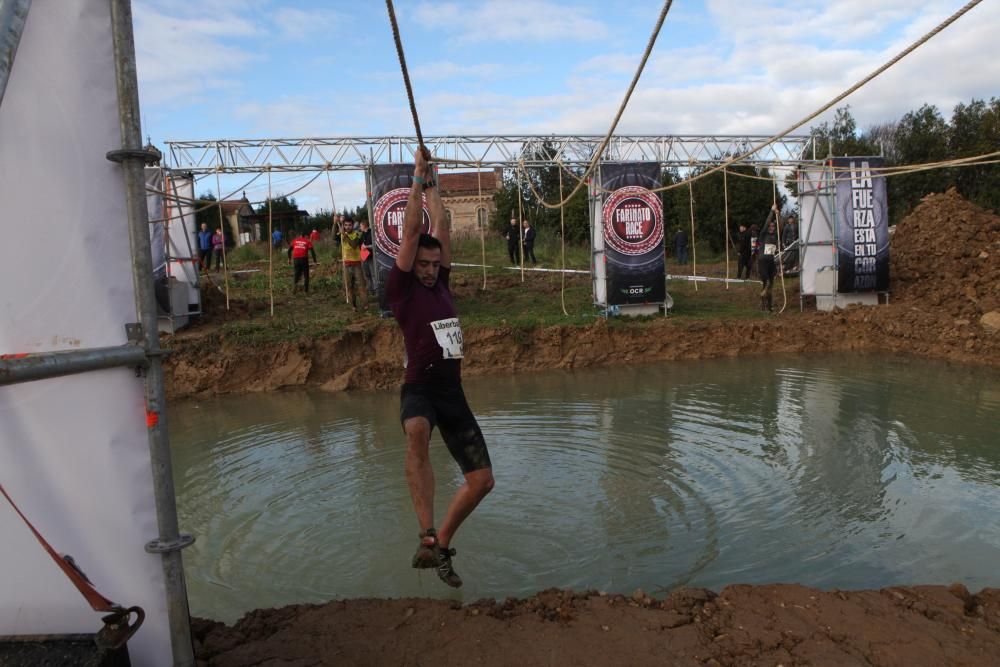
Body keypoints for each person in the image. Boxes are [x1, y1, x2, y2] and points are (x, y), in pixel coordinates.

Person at [386, 147, 493, 589]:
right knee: (415, 431)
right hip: (419, 388)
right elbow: (413, 230)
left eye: (435, 264)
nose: (430, 271)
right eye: (423, 265)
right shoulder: (401, 289)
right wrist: (415, 179)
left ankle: (441, 546)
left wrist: (435, 184)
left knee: (483, 481)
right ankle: (425, 530)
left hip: (453, 393)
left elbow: (440, 225)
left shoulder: (443, 281)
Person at [339, 217, 366, 309]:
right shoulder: (342, 234)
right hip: (346, 264)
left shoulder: (357, 234)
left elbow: (354, 245)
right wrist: (335, 223)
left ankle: (365, 304)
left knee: (361, 285)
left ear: (353, 225)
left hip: (356, 264)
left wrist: (345, 235)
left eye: (349, 225)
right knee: (349, 286)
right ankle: (353, 305)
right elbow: (333, 237)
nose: (347, 227)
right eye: (345, 225)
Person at [758, 206, 781, 311]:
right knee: (766, 283)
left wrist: (778, 214)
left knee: (770, 285)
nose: (771, 227)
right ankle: (763, 301)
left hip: (771, 262)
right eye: (770, 226)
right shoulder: (763, 234)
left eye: (773, 226)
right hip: (762, 262)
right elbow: (767, 223)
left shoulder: (775, 236)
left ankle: (768, 306)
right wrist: (771, 211)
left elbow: (781, 226)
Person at [287, 229, 318, 293]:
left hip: (296, 259)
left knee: (296, 273)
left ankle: (294, 288)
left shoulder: (295, 240)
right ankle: (306, 291)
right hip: (304, 259)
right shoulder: (307, 241)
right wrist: (315, 262)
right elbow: (312, 252)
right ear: (306, 236)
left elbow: (289, 250)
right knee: (306, 275)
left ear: (301, 235)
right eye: (308, 236)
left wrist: (289, 259)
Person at [359, 219, 375, 295]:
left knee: (373, 274)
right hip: (364, 257)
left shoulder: (372, 233)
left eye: (360, 226)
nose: (360, 227)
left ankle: (376, 290)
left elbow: (375, 244)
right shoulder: (361, 234)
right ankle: (370, 290)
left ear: (364, 225)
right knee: (367, 274)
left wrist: (367, 246)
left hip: (371, 257)